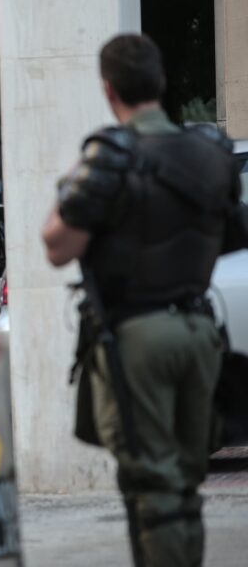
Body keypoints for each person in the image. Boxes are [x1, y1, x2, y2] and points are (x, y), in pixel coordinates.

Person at [43, 33, 241, 567]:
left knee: (152, 490)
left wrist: (67, 190)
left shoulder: (109, 155)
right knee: (183, 485)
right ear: (162, 82)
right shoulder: (212, 155)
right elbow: (233, 231)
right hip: (201, 332)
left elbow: (57, 245)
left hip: (136, 339)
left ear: (109, 90)